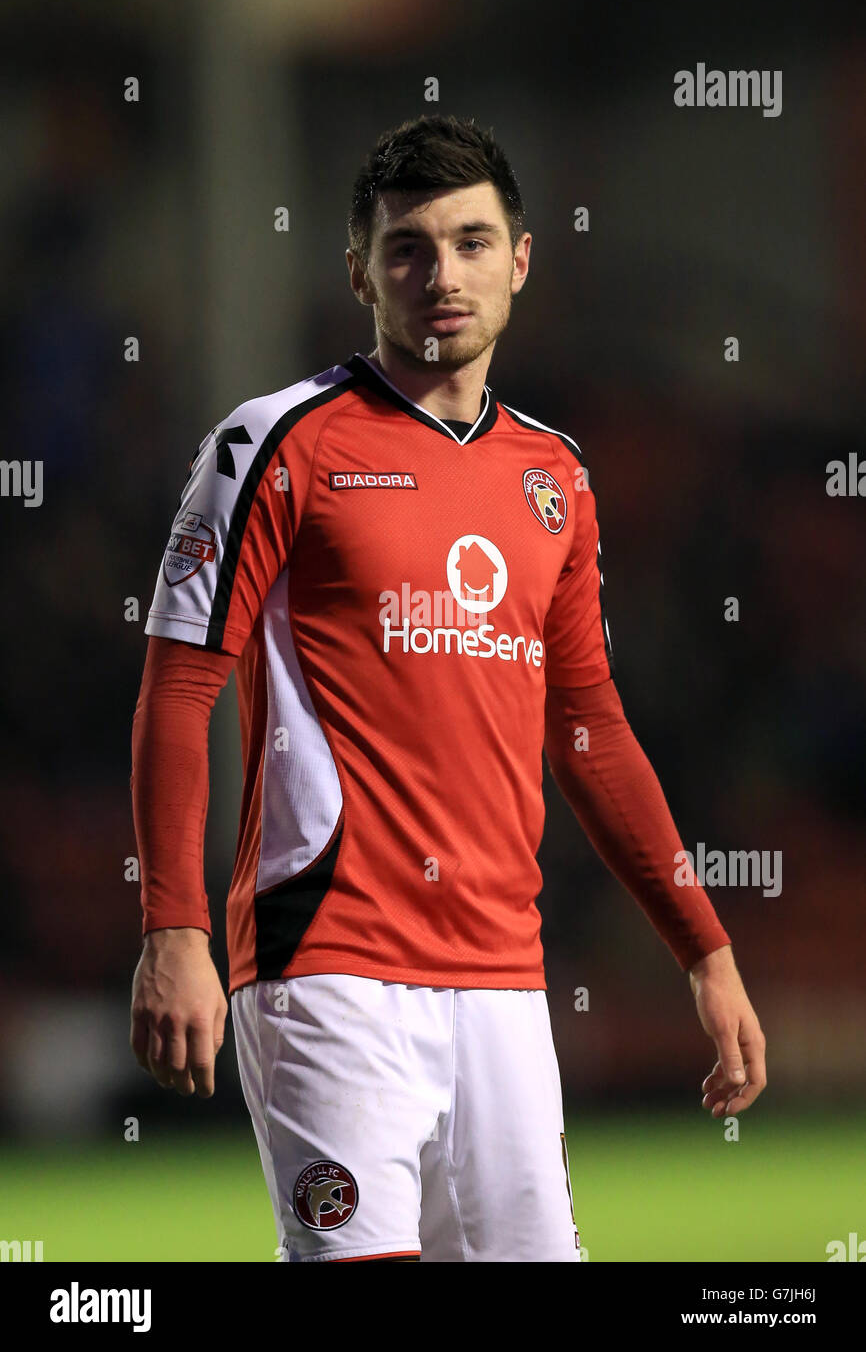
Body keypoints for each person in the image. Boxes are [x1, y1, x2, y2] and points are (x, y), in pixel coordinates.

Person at [129, 113, 766, 1263]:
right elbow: (178, 688)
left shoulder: (553, 475)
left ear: (520, 260)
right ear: (360, 272)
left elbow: (589, 729)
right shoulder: (273, 443)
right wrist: (172, 928)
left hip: (502, 982)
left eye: (471, 242)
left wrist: (704, 951)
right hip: (327, 960)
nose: (441, 275)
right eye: (408, 248)